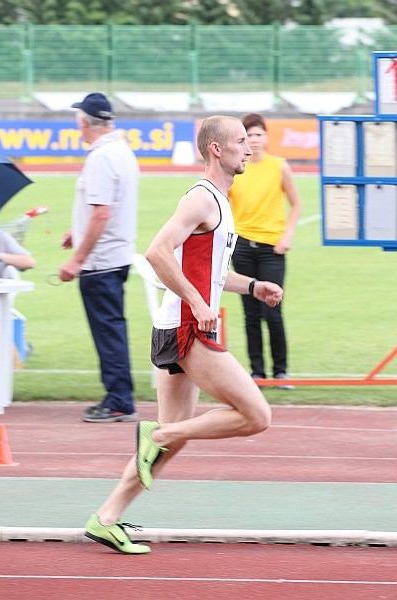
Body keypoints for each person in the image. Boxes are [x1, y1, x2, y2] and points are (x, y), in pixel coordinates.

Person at [83, 115, 283, 555]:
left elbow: (213, 273)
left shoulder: (222, 203)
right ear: (216, 149)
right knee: (255, 416)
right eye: (239, 142)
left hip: (175, 325)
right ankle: (152, 437)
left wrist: (251, 286)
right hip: (188, 329)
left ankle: (106, 517)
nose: (248, 148)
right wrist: (196, 301)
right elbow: (156, 252)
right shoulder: (201, 198)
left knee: (174, 435)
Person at [59, 92, 139, 423]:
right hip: (114, 254)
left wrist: (77, 259)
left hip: (100, 262)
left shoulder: (101, 157)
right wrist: (77, 231)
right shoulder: (120, 151)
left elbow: (101, 214)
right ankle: (119, 395)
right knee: (112, 327)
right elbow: (104, 210)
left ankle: (119, 399)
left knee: (107, 331)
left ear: (83, 122)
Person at [228, 113, 301, 390]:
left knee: (273, 310)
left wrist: (287, 236)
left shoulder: (279, 167)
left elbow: (296, 204)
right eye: (249, 135)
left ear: (267, 137)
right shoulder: (238, 169)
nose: (255, 140)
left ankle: (281, 372)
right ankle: (257, 372)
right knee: (250, 314)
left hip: (273, 248)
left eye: (259, 134)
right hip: (243, 247)